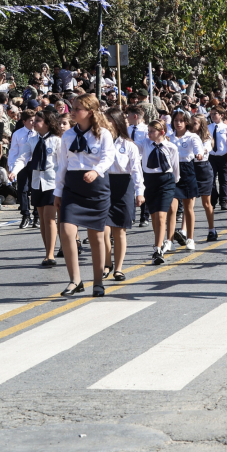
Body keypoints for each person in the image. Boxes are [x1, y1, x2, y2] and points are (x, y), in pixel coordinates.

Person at [54, 93, 115, 298]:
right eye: (72, 108)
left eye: (77, 109)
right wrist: (58, 191)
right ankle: (75, 280)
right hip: (72, 187)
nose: (72, 112)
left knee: (96, 236)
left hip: (95, 187)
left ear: (89, 112)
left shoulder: (103, 134)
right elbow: (62, 165)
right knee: (66, 231)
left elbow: (108, 157)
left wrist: (96, 171)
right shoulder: (68, 136)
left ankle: (98, 282)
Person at [11, 109, 61, 267]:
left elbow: (62, 164)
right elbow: (23, 157)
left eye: (38, 121)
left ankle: (51, 254)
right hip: (37, 182)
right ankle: (47, 252)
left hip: (52, 182)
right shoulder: (32, 140)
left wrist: (63, 184)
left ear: (47, 123)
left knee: (49, 218)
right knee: (43, 220)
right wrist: (14, 171)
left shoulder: (56, 141)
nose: (34, 123)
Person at [102, 109, 143, 281]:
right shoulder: (100, 142)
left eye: (109, 120)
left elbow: (136, 170)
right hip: (104, 185)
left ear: (117, 122)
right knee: (103, 229)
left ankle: (118, 268)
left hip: (123, 186)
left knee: (119, 230)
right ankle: (107, 263)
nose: (105, 123)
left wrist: (139, 192)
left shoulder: (128, 145)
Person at [139, 120, 180, 264]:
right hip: (149, 181)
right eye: (148, 131)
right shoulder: (145, 143)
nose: (149, 134)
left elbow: (175, 167)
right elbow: (133, 147)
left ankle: (157, 250)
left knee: (162, 215)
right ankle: (160, 241)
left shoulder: (171, 147)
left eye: (152, 131)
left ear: (161, 132)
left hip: (166, 181)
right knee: (154, 216)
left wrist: (174, 181)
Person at [167, 111, 204, 253]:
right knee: (172, 208)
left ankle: (190, 238)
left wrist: (199, 153)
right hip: (172, 171)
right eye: (176, 120)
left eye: (181, 120)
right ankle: (169, 241)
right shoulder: (169, 137)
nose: (178, 123)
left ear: (186, 122)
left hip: (187, 170)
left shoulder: (192, 137)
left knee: (188, 208)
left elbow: (198, 148)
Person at [8, 110, 39, 229]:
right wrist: (12, 168)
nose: (33, 123)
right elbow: (13, 151)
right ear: (24, 121)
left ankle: (37, 215)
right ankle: (25, 215)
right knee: (22, 189)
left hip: (35, 163)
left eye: (35, 120)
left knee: (35, 188)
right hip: (21, 164)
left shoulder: (38, 133)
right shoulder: (18, 134)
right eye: (31, 121)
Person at [191, 115, 216, 242]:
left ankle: (212, 230)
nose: (192, 125)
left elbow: (206, 148)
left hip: (203, 169)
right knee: (189, 203)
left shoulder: (207, 138)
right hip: (191, 168)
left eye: (195, 123)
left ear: (201, 125)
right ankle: (186, 233)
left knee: (206, 203)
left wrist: (200, 152)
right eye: (191, 123)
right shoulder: (188, 136)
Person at [207, 106, 227, 210]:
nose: (213, 116)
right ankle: (213, 198)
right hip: (212, 157)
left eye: (215, 113)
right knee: (211, 179)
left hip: (224, 157)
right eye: (212, 114)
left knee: (224, 179)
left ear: (221, 115)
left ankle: (224, 200)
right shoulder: (208, 128)